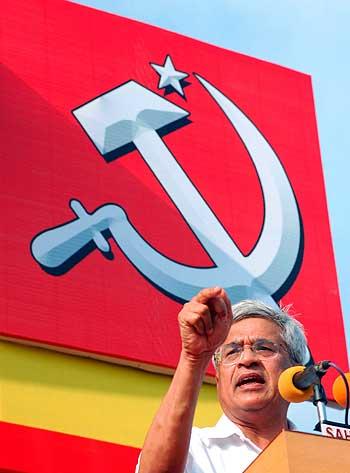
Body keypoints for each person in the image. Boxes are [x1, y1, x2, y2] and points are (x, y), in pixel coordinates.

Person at [136, 286, 308, 473]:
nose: (247, 359)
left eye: (264, 348)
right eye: (232, 352)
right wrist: (193, 357)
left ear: (295, 368)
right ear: (218, 379)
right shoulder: (195, 450)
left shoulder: (322, 451)